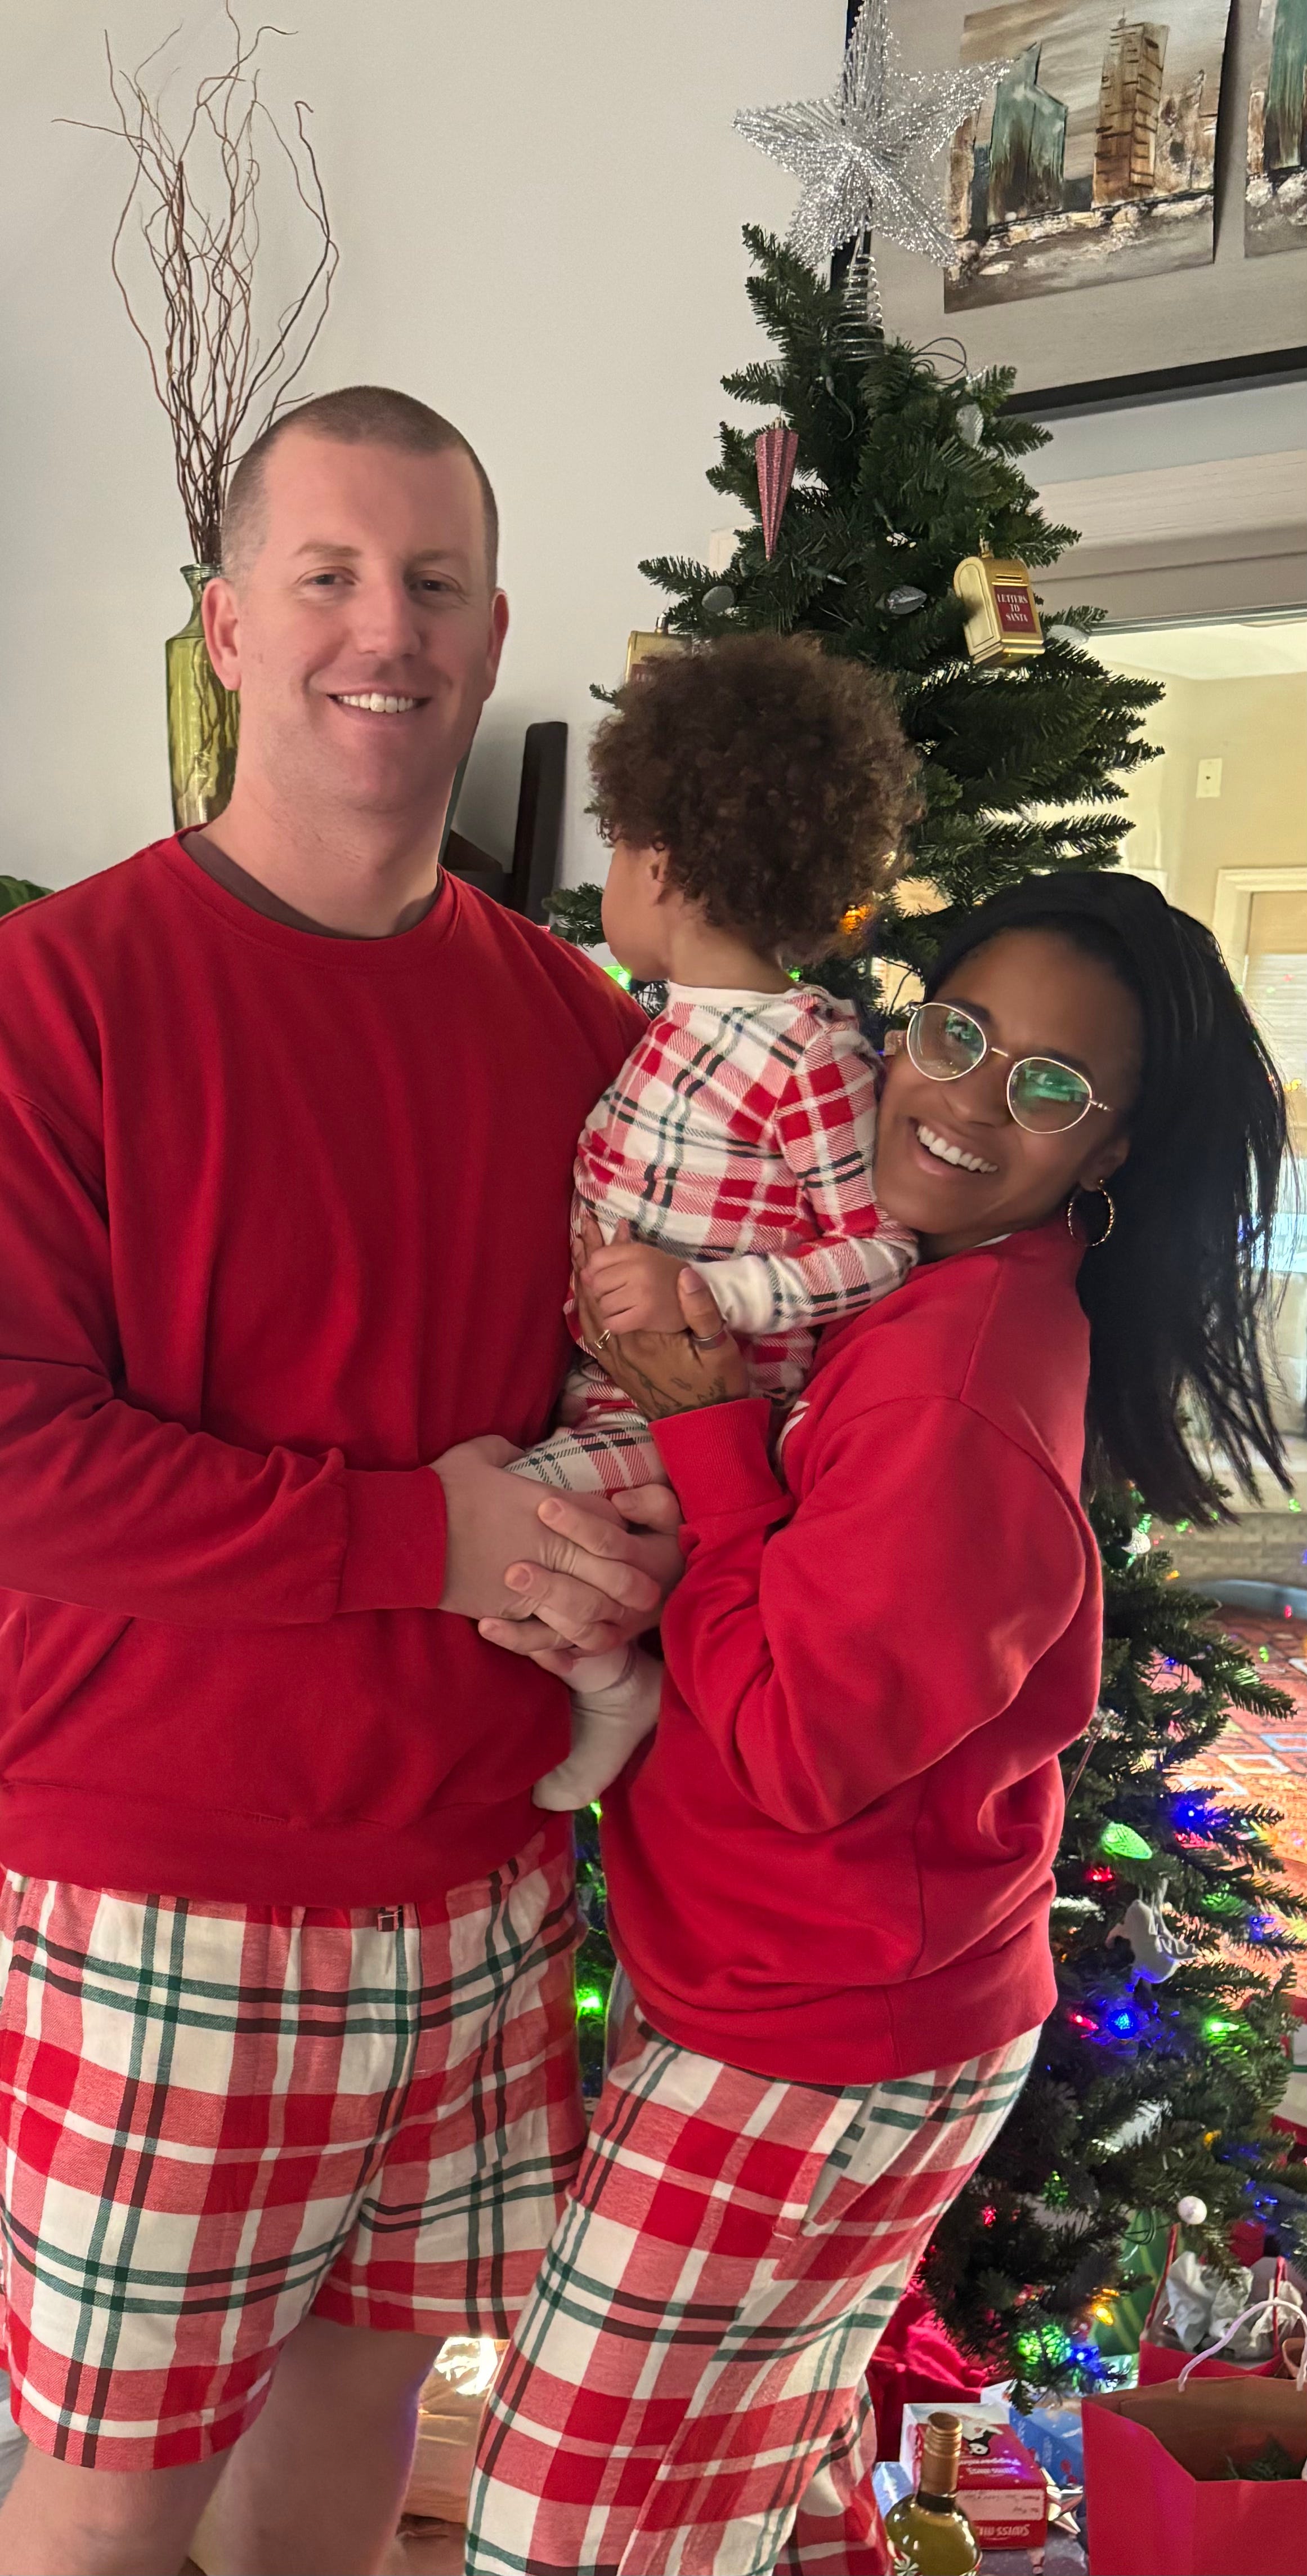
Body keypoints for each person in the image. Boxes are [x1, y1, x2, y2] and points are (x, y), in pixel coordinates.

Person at [0, 385, 683, 2576]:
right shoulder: (48, 998)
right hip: (165, 1887)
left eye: (432, 584)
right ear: (226, 626)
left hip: (484, 1881)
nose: (384, 629)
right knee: (109, 2504)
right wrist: (429, 1533)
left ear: (490, 638)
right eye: (327, 576)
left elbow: (642, 1389)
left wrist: (615, 1540)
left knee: (354, 2440)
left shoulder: (584, 1031)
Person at [464, 869, 1288, 2573]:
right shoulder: (914, 1289)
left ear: (1111, 1146)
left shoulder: (956, 1377)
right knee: (761, 2483)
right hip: (811, 1992)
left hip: (814, 2031)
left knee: (557, 2520)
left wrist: (701, 1432)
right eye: (958, 1033)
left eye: (1048, 1084)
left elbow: (796, 1743)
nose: (969, 1102)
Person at [515, 633, 918, 1811]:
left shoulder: (809, 1051)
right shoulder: (666, 1026)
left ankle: (613, 1686)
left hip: (694, 1407)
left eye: (615, 845)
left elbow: (883, 1249)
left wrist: (710, 1294)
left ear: (661, 862)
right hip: (604, 1384)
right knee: (501, 1498)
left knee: (503, 1531)